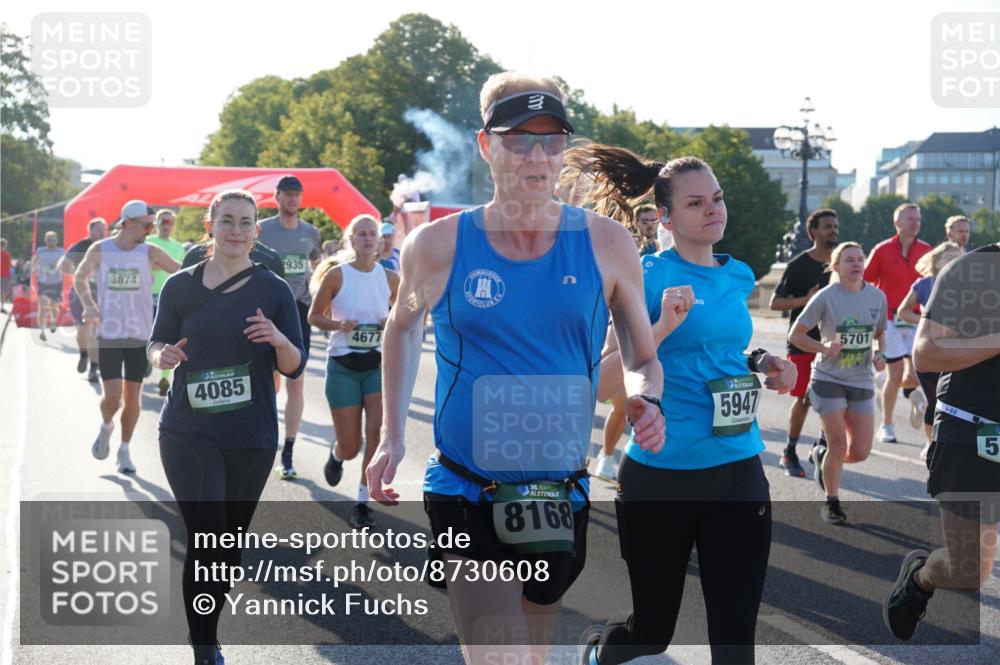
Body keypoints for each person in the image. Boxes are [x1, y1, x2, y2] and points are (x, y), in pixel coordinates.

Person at [366, 73, 665, 665]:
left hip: (559, 496)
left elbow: (642, 356)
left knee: (532, 656)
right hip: (467, 485)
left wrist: (643, 398)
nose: (537, 154)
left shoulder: (607, 244)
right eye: (519, 138)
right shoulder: (438, 245)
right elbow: (401, 327)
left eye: (550, 139)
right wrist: (391, 438)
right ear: (486, 145)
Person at [562, 147, 797, 665]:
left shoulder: (738, 275)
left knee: (735, 643)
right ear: (665, 217)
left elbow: (723, 348)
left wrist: (764, 363)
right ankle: (599, 653)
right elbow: (600, 384)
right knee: (652, 632)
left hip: (738, 472)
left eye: (717, 198)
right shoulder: (644, 276)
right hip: (661, 478)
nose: (713, 209)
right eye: (696, 203)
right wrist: (661, 327)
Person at [149, 189, 306, 665]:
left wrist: (279, 338)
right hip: (187, 429)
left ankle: (208, 631)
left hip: (251, 434)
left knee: (227, 547)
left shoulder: (274, 289)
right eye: (228, 220)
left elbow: (295, 365)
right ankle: (203, 647)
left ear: (257, 231)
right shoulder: (180, 285)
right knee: (208, 535)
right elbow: (155, 343)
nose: (236, 230)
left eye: (246, 222)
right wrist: (163, 355)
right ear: (210, 225)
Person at [882, 240, 999, 641]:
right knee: (969, 573)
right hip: (974, 433)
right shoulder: (972, 270)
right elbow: (927, 353)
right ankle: (922, 578)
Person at [73, 200, 180, 474]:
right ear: (128, 222)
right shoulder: (101, 249)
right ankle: (107, 425)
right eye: (147, 225)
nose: (150, 230)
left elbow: (180, 272)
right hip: (109, 333)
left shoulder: (149, 251)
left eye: (152, 225)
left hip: (140, 335)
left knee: (133, 399)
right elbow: (79, 277)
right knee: (113, 397)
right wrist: (88, 303)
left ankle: (124, 450)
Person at [308, 214, 399, 528]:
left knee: (375, 433)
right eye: (361, 233)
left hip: (375, 366)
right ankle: (336, 454)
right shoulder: (337, 275)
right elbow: (314, 317)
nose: (367, 239)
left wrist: (392, 322)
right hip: (343, 367)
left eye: (372, 234)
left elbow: (408, 312)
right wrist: (338, 324)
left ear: (379, 241)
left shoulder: (390, 279)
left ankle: (362, 502)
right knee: (351, 447)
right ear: (351, 238)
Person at [789, 242, 887, 524]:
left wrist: (880, 354)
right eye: (849, 260)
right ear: (836, 267)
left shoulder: (876, 297)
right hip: (827, 378)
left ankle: (823, 457)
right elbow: (797, 335)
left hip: (861, 379)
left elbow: (880, 331)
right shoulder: (826, 296)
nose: (856, 263)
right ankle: (831, 502)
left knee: (860, 451)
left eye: (860, 258)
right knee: (838, 442)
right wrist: (823, 347)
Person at [592, 201, 674, 480]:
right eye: (645, 220)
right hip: (624, 331)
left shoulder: (668, 249)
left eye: (654, 220)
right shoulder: (629, 250)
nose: (650, 224)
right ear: (636, 223)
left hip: (660, 333)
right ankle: (606, 455)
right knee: (619, 405)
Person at [257, 175, 322, 479]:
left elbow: (318, 268)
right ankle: (264, 438)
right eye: (287, 194)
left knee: (296, 381)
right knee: (269, 382)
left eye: (297, 194)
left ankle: (288, 450)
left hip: (298, 311)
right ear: (277, 197)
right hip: (267, 310)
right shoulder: (262, 230)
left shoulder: (312, 233)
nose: (292, 199)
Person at [770, 209, 838, 477]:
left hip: (834, 345)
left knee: (835, 398)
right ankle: (789, 451)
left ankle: (822, 446)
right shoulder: (799, 265)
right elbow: (775, 303)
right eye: (827, 227)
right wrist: (806, 299)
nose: (833, 230)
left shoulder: (840, 265)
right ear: (814, 232)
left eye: (835, 226)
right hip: (803, 342)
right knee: (804, 399)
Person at [864, 203, 932, 443]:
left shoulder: (927, 251)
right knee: (895, 373)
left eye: (918, 219)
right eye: (910, 219)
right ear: (897, 223)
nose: (915, 223)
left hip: (915, 318)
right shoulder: (882, 250)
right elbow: (865, 281)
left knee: (916, 374)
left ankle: (892, 388)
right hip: (890, 319)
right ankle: (887, 425)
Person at [897, 241, 963, 460]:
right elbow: (903, 312)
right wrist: (926, 321)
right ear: (937, 261)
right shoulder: (924, 284)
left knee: (952, 401)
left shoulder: (968, 285)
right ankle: (930, 444)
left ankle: (947, 444)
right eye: (950, 257)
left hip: (955, 352)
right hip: (929, 351)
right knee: (935, 402)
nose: (955, 261)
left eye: (958, 257)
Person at [59, 218, 108, 381]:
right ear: (90, 230)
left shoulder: (108, 247)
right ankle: (83, 354)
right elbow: (62, 265)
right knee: (82, 329)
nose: (101, 232)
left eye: (104, 229)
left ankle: (94, 368)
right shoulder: (80, 246)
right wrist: (78, 272)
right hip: (80, 293)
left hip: (100, 293)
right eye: (98, 229)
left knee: (94, 328)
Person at [147, 209, 187, 395]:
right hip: (147, 296)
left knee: (168, 337)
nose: (166, 225)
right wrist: (164, 264)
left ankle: (164, 378)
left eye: (170, 222)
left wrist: (159, 263)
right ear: (156, 223)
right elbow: (149, 266)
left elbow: (183, 271)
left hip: (170, 299)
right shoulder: (149, 243)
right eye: (163, 221)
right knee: (147, 336)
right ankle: (145, 360)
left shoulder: (178, 246)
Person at [34, 231, 65, 340]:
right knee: (42, 306)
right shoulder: (40, 251)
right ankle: (42, 331)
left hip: (56, 282)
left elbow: (66, 265)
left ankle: (53, 321)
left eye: (53, 239)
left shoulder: (61, 252)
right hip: (43, 282)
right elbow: (34, 263)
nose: (51, 242)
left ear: (57, 240)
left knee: (54, 307)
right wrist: (34, 270)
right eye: (48, 239)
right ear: (45, 241)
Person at [1, 238, 11, 312]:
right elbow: (9, 265)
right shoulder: (7, 254)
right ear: (4, 245)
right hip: (5, 275)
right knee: (4, 291)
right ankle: (2, 306)